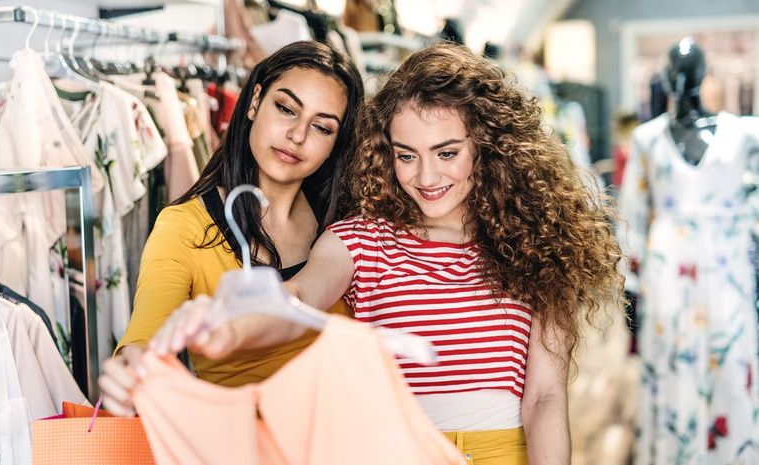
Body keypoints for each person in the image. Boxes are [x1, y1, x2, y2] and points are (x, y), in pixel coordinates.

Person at [151, 43, 624, 464]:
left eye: (446, 153)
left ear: (488, 147)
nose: (425, 176)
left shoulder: (535, 248)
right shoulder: (361, 240)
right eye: (406, 154)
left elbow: (543, 398)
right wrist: (223, 323)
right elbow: (299, 299)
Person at [98, 40, 364, 417]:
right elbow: (145, 336)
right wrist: (131, 370)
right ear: (254, 101)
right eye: (286, 109)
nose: (297, 135)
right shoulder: (185, 226)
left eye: (321, 127)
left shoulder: (348, 225)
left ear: (337, 143)